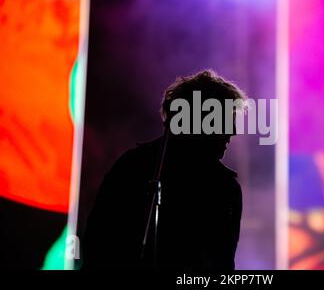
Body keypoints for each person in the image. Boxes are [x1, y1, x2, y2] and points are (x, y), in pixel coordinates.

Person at [82, 70, 246, 270]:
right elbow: (98, 247)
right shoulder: (134, 169)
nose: (232, 131)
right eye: (226, 121)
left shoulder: (226, 189)